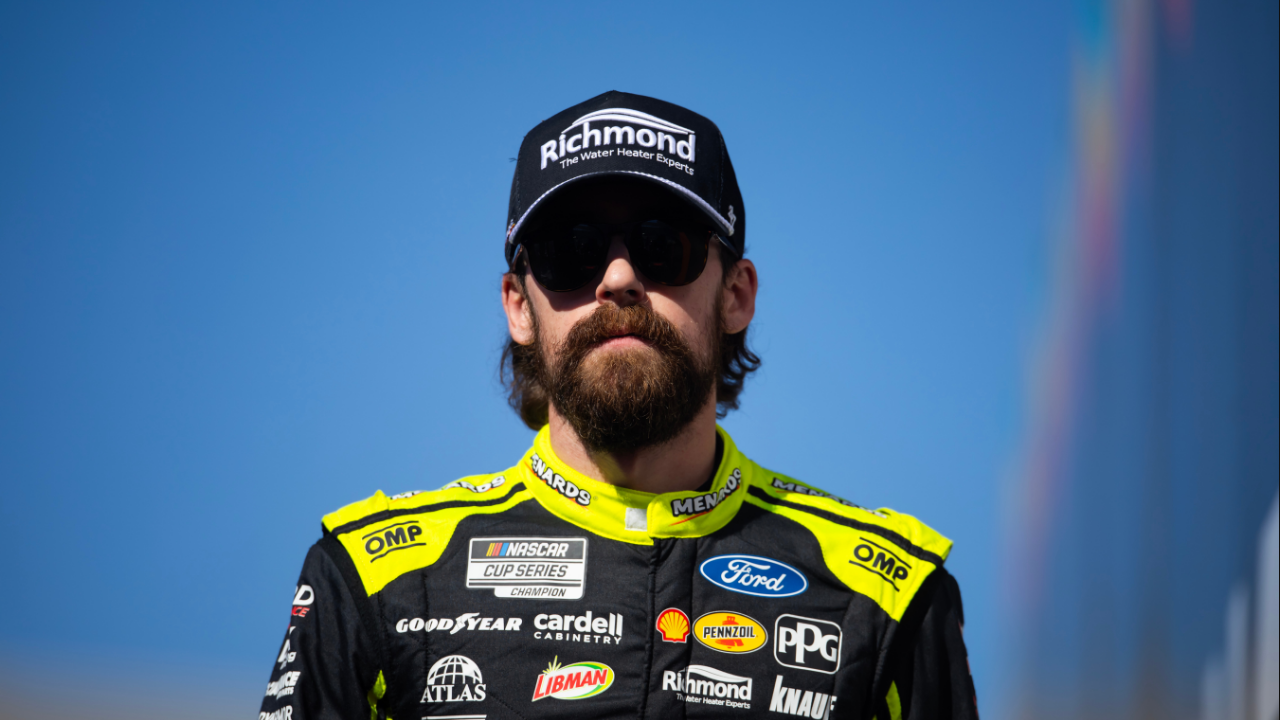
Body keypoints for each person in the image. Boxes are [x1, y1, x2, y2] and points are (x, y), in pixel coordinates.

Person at [259, 90, 979, 720]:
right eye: (571, 250)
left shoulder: (891, 593)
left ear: (736, 294)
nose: (619, 277)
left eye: (663, 245)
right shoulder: (371, 577)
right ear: (518, 305)